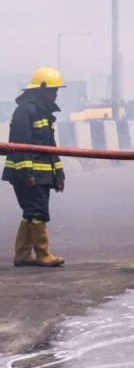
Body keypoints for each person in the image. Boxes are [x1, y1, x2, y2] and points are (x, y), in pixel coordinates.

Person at [2, 67, 66, 267]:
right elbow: (20, 144)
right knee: (38, 212)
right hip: (28, 174)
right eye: (52, 90)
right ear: (41, 89)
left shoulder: (45, 113)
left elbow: (50, 146)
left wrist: (59, 172)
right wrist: (26, 173)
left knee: (31, 212)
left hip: (43, 173)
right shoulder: (25, 111)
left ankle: (22, 254)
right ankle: (42, 254)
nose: (55, 94)